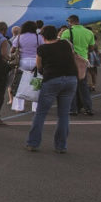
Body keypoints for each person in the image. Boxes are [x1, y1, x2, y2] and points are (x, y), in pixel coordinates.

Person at [25, 24, 79, 152]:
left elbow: (39, 67)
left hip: (52, 80)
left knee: (41, 113)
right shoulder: (66, 44)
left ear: (43, 36)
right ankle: (61, 146)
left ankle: (33, 143)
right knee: (64, 114)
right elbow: (72, 56)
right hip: (71, 79)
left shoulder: (42, 49)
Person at [59, 14, 96, 116]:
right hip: (83, 61)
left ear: (70, 22)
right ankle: (88, 108)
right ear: (78, 21)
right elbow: (92, 47)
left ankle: (73, 109)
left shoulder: (67, 32)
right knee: (83, 86)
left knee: (70, 86)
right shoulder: (89, 32)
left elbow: (63, 47)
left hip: (70, 61)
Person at [10, 20, 41, 113]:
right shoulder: (38, 37)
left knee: (20, 84)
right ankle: (36, 107)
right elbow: (43, 48)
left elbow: (12, 50)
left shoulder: (19, 37)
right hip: (35, 62)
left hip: (23, 62)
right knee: (36, 84)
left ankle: (18, 107)